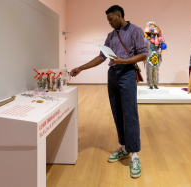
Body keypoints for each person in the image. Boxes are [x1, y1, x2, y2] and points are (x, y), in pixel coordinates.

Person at [70, 5, 147, 178]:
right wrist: (81, 68)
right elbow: (101, 57)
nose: (109, 23)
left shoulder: (136, 30)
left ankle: (135, 154)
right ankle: (125, 148)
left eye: (110, 19)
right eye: (108, 20)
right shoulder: (110, 36)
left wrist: (124, 61)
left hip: (127, 74)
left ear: (119, 15)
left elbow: (143, 54)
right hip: (112, 74)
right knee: (117, 112)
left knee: (130, 113)